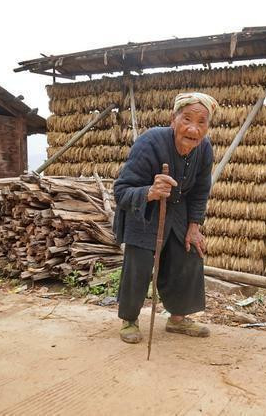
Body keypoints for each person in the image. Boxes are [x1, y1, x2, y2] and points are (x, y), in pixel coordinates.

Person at [113, 92, 218, 344]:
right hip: (144, 210)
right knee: (138, 262)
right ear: (174, 119)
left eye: (201, 122)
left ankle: (177, 319)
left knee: (189, 253)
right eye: (187, 119)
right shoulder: (150, 142)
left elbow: (201, 191)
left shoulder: (204, 149)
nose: (193, 128)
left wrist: (194, 226)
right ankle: (129, 319)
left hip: (178, 210)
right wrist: (150, 191)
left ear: (207, 126)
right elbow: (121, 191)